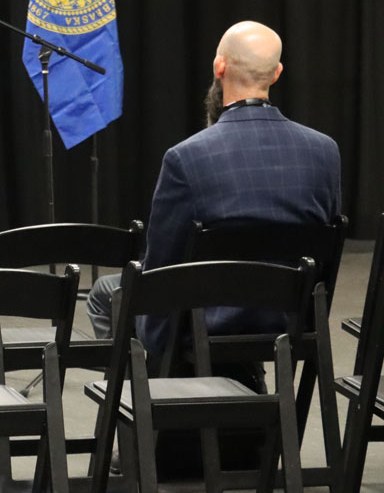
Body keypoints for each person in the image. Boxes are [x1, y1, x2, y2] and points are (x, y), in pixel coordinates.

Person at [86, 21, 342, 356]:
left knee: (108, 292)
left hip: (205, 323)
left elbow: (161, 269)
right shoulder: (324, 151)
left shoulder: (186, 158)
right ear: (276, 73)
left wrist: (155, 351)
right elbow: (323, 255)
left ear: (219, 66)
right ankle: (241, 374)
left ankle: (152, 387)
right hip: (287, 320)